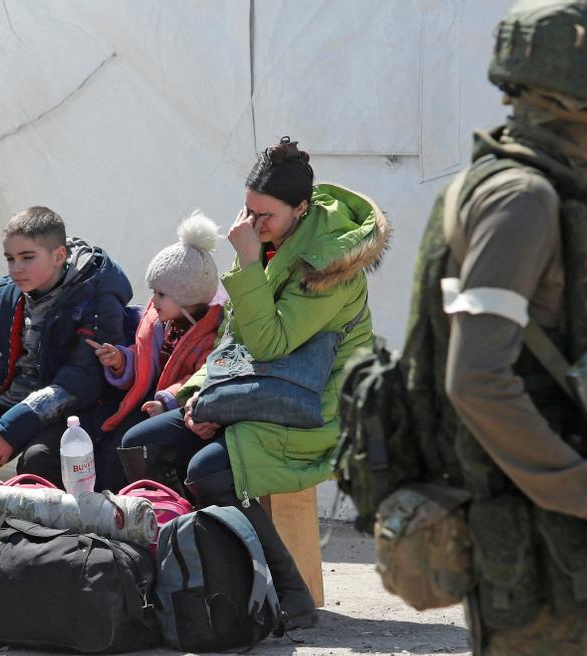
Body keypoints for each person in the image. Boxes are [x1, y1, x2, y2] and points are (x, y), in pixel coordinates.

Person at [405, 1, 587, 656]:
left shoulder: (527, 187)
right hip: (539, 549)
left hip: (553, 538)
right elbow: (476, 377)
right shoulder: (521, 199)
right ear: (582, 100)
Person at [121, 138, 390, 630]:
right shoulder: (273, 246)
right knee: (140, 446)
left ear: (302, 209)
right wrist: (179, 395)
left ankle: (289, 593)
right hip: (256, 392)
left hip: (315, 410)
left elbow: (268, 344)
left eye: (264, 214)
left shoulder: (330, 267)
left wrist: (246, 264)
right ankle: (197, 575)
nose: (250, 224)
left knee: (209, 472)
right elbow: (233, 344)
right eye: (248, 210)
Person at [0, 206, 132, 602]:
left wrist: (11, 430)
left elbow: (80, 382)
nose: (16, 268)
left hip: (71, 416)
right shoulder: (7, 296)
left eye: (27, 258)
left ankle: (31, 562)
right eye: (10, 259)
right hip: (10, 409)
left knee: (39, 461)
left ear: (59, 256)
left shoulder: (96, 296)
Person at [87, 210, 226, 495]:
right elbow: (142, 359)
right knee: (107, 449)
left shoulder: (209, 335)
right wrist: (120, 359)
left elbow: (195, 378)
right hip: (146, 403)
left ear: (187, 296)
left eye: (161, 294)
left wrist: (166, 401)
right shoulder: (159, 323)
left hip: (177, 410)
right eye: (154, 291)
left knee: (127, 449)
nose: (152, 300)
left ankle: (142, 506)